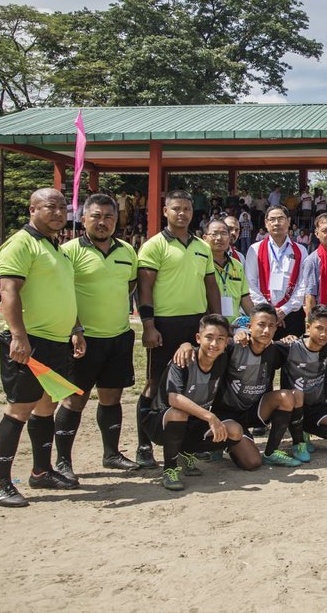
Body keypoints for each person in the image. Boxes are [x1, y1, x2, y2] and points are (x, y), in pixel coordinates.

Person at [0, 188, 80, 507]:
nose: (57, 213)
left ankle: (42, 472)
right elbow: (9, 290)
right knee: (19, 409)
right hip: (30, 342)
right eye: (50, 207)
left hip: (57, 343)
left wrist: (75, 330)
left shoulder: (57, 248)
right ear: (32, 210)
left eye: (62, 208)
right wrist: (18, 335)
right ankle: (0, 483)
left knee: (45, 407)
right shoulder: (21, 243)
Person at [52, 194, 141, 483]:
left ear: (117, 219)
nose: (102, 222)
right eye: (96, 216)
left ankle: (111, 454)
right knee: (74, 400)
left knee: (112, 397)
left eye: (109, 217)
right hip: (82, 340)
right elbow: (62, 295)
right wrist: (76, 329)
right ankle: (63, 461)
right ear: (83, 218)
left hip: (117, 336)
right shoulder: (68, 251)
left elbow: (129, 285)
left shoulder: (127, 251)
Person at [136, 190, 221, 469]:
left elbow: (211, 286)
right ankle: (144, 445)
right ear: (165, 211)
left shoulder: (202, 246)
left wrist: (217, 320)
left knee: (195, 383)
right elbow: (144, 289)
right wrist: (148, 325)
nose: (182, 213)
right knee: (156, 383)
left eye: (186, 208)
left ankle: (187, 444)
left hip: (196, 323)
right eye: (176, 209)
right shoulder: (153, 246)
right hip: (164, 324)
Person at [142, 314, 260, 492]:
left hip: (194, 423)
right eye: (209, 337)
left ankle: (186, 452)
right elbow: (173, 399)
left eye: (220, 339)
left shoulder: (221, 358)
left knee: (235, 431)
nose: (214, 344)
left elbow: (251, 341)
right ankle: (170, 469)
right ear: (198, 338)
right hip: (161, 423)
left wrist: (242, 332)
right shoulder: (183, 359)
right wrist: (210, 416)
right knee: (179, 412)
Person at [178, 304, 299, 467]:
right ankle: (221, 442)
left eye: (271, 326)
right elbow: (208, 350)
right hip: (227, 414)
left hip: (254, 411)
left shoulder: (276, 350)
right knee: (252, 463)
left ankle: (271, 452)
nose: (266, 331)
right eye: (261, 325)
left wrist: (292, 338)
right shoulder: (233, 347)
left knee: (286, 397)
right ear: (249, 326)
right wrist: (184, 345)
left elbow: (308, 348)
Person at [282, 305, 327, 456]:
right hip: (293, 408)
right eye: (319, 328)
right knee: (297, 395)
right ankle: (298, 440)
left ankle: (306, 428)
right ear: (308, 327)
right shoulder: (289, 347)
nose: (324, 334)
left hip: (318, 407)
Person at [245, 204, 308, 339]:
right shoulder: (254, 249)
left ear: (289, 221)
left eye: (281, 218)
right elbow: (250, 283)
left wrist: (284, 310)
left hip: (292, 314)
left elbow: (303, 284)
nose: (276, 223)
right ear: (266, 223)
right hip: (263, 315)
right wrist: (270, 311)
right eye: (272, 219)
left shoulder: (301, 250)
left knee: (292, 356)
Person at [204, 219, 254, 321]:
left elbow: (245, 298)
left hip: (234, 325)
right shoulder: (201, 264)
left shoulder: (237, 265)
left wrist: (257, 320)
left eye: (223, 234)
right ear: (205, 238)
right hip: (209, 325)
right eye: (214, 234)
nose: (219, 238)